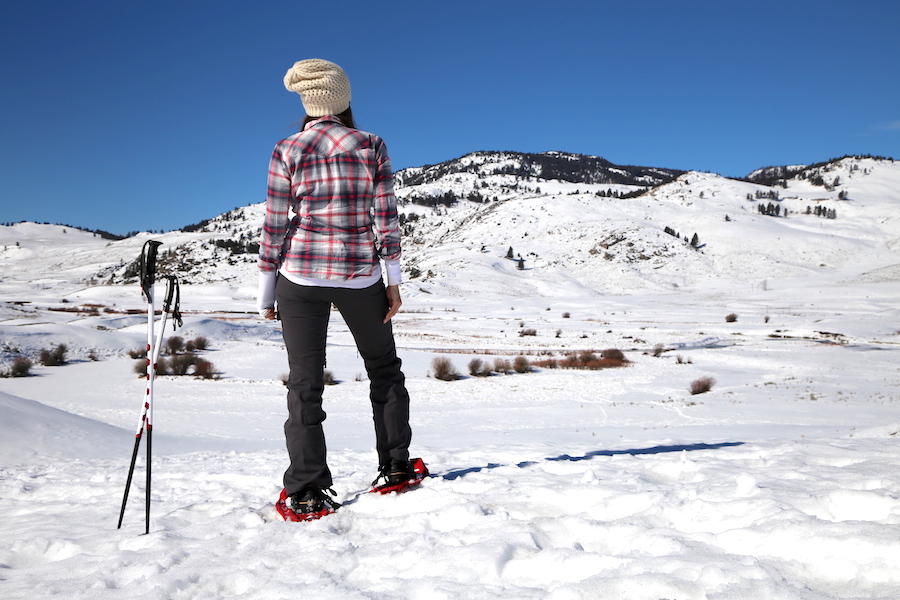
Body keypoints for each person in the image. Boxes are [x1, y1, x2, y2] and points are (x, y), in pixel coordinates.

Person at [257, 59, 413, 515]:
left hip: (299, 279)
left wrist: (267, 288)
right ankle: (396, 466)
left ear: (308, 102)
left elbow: (274, 222)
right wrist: (393, 280)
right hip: (360, 277)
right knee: (383, 368)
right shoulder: (372, 145)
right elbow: (385, 217)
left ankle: (306, 489)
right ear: (344, 100)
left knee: (305, 384)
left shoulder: (287, 147)